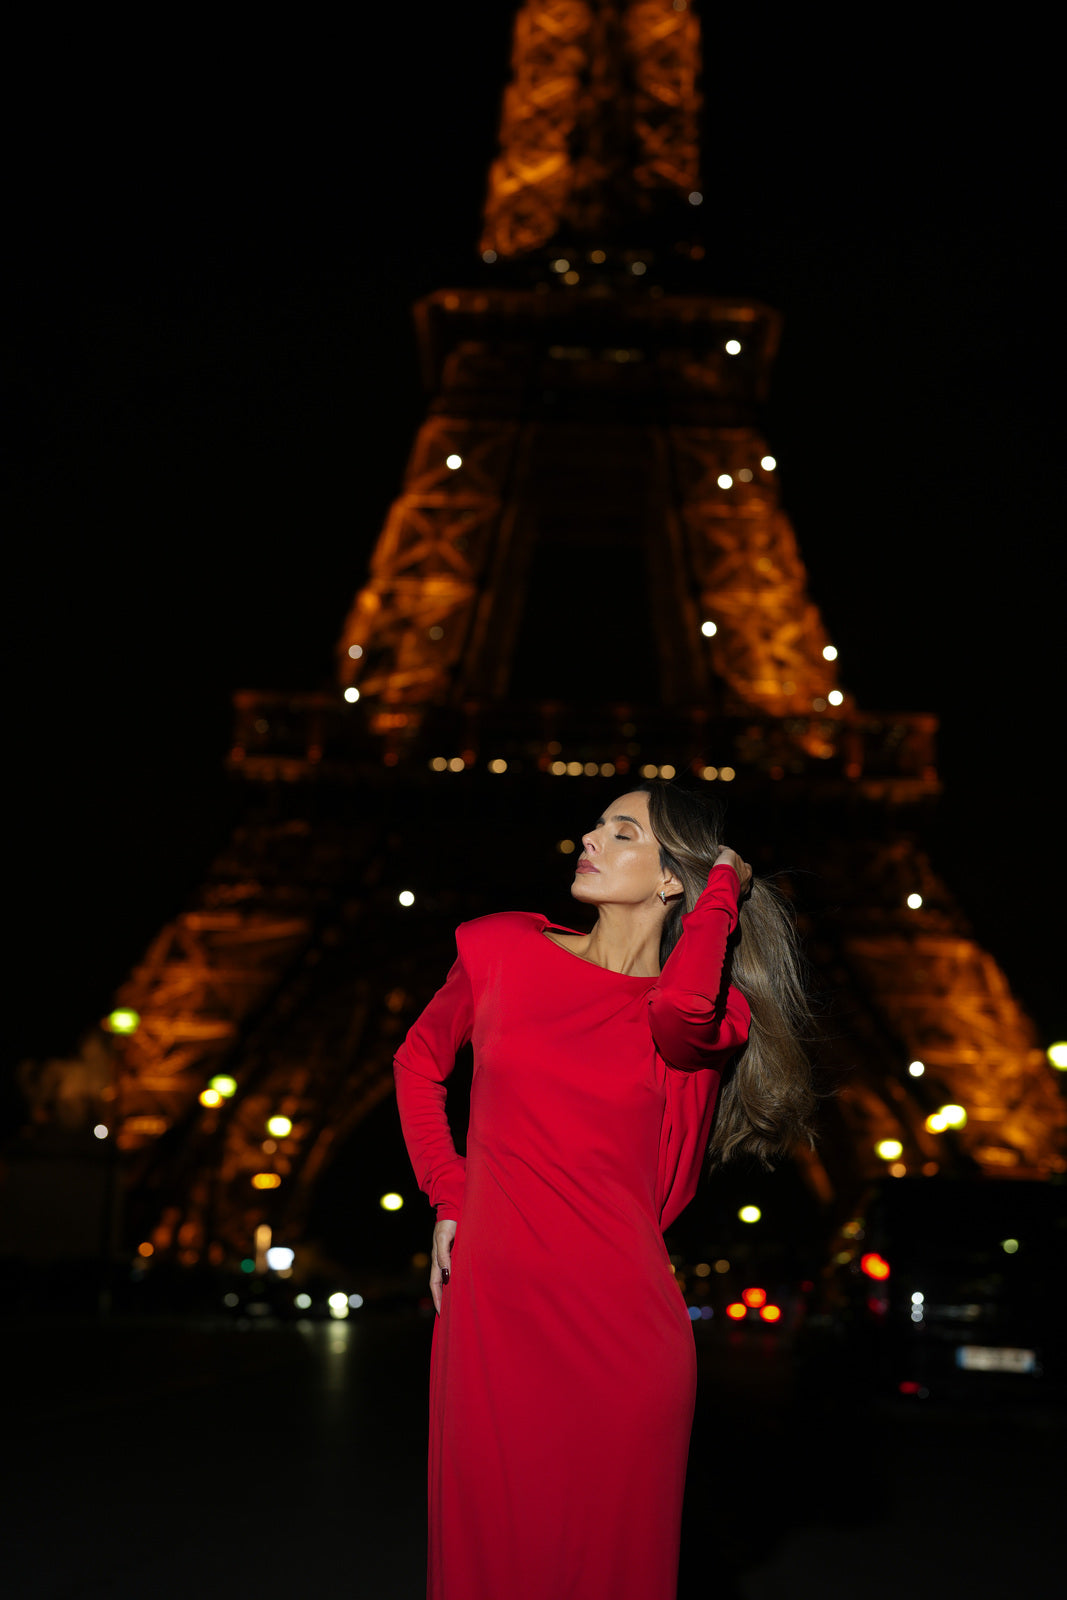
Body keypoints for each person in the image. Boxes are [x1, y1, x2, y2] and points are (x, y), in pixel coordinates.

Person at [394, 779, 816, 1600]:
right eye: (595, 825)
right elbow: (416, 1064)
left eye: (621, 832)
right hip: (495, 1312)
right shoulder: (499, 950)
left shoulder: (703, 1014)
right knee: (489, 1562)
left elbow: (681, 1005)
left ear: (672, 880)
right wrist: (450, 1192)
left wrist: (722, 888)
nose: (588, 839)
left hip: (623, 1333)